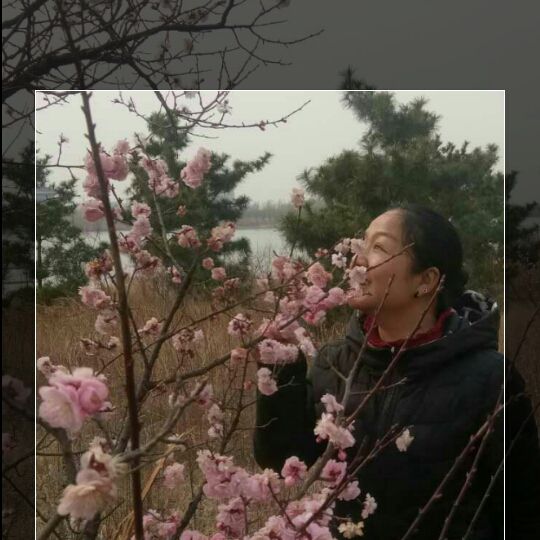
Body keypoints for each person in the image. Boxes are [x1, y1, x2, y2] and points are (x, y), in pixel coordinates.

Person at [254, 205, 540, 539]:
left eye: (378, 246)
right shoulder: (335, 364)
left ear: (426, 281)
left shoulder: (489, 379)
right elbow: (283, 461)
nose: (358, 258)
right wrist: (281, 367)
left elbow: (523, 509)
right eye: (361, 243)